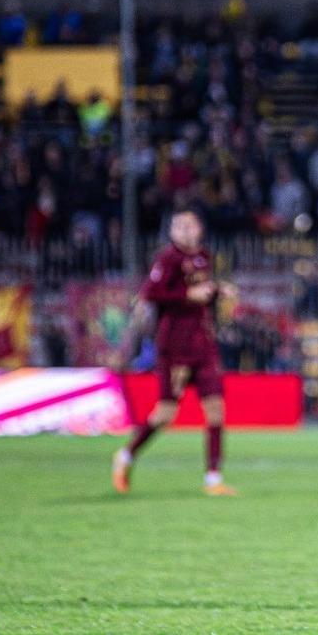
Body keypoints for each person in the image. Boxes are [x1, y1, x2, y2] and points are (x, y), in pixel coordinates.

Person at [112, 210, 238, 497]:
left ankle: (213, 478)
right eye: (177, 226)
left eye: (188, 225)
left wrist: (218, 290)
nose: (183, 231)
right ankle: (126, 455)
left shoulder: (203, 256)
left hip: (203, 345)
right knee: (166, 413)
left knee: (216, 409)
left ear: (199, 229)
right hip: (175, 348)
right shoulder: (167, 259)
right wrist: (186, 296)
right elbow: (150, 293)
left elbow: (201, 292)